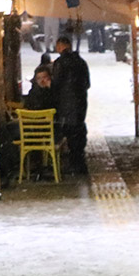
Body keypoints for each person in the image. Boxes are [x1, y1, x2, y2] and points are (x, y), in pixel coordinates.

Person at [51, 35, 90, 175]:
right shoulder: (81, 62)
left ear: (61, 46)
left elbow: (56, 84)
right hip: (80, 103)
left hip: (66, 104)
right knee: (78, 131)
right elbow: (87, 84)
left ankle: (74, 163)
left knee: (69, 132)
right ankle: (79, 161)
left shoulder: (60, 63)